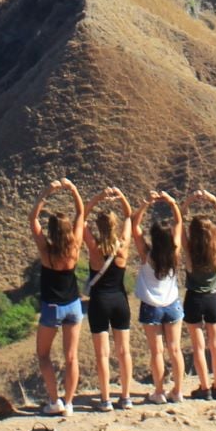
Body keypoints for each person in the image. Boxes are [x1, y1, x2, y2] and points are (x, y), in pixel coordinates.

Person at [30, 177, 86, 415]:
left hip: (52, 307)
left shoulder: (47, 252)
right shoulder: (74, 249)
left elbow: (32, 219)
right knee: (71, 356)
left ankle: (54, 402)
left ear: (51, 232)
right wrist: (73, 189)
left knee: (43, 355)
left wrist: (47, 191)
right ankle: (70, 403)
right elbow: (81, 213)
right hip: (74, 306)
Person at [132, 190, 186, 404]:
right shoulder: (175, 253)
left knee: (157, 352)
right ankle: (178, 391)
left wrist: (145, 204)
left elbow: (135, 228)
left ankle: (159, 391)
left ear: (153, 237)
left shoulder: (147, 254)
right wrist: (172, 202)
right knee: (175, 349)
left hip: (151, 306)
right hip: (172, 304)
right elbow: (180, 224)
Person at [83, 187, 134, 412]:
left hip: (99, 302)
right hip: (119, 301)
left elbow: (81, 218)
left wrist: (97, 198)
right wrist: (121, 196)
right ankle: (125, 396)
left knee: (102, 353)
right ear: (115, 225)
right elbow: (130, 216)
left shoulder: (94, 248)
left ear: (99, 227)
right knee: (124, 351)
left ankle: (105, 400)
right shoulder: (123, 245)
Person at [184, 188, 216, 401]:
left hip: (193, 298)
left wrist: (189, 201)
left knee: (198, 346)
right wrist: (212, 199)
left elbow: (178, 220)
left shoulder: (189, 250)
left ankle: (204, 387)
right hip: (212, 297)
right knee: (215, 344)